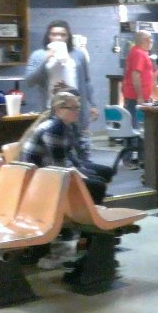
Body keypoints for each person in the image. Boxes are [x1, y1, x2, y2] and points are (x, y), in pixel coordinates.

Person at [19, 92, 108, 204]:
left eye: (77, 107)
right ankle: (83, 215)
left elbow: (68, 156)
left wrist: (81, 172)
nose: (77, 111)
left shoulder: (62, 125)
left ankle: (85, 210)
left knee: (97, 179)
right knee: (98, 185)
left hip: (44, 172)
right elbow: (60, 166)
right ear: (58, 110)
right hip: (39, 178)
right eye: (72, 108)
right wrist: (81, 176)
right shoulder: (54, 128)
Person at [24, 20, 98, 151]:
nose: (58, 38)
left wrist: (92, 104)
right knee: (55, 149)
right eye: (54, 34)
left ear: (68, 37)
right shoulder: (38, 55)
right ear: (48, 36)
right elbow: (29, 81)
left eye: (63, 35)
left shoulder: (78, 55)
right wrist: (46, 58)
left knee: (81, 150)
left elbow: (86, 81)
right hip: (51, 111)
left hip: (77, 111)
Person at [122, 30, 156, 129]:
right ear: (147, 40)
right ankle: (136, 144)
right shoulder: (139, 53)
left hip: (135, 96)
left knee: (135, 123)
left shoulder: (135, 51)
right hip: (135, 97)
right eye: (151, 40)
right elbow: (135, 75)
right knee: (136, 126)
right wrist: (140, 96)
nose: (152, 42)